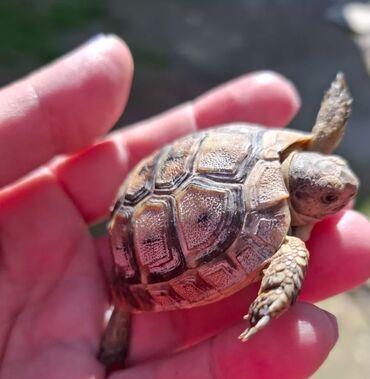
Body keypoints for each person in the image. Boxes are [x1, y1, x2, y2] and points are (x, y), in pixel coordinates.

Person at [0, 34, 369, 379]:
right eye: (327, 198)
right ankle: (122, 314)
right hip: (150, 233)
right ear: (302, 199)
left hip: (155, 182)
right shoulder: (288, 243)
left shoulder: (290, 157)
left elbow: (318, 147)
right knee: (290, 257)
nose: (345, 193)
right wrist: (277, 292)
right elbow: (289, 256)